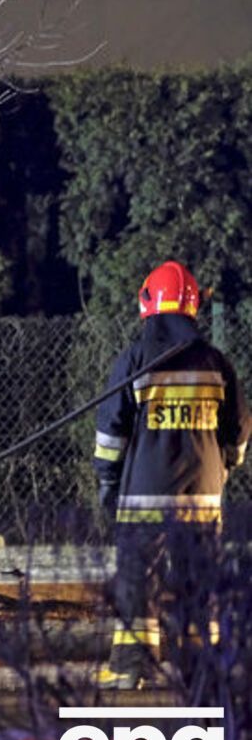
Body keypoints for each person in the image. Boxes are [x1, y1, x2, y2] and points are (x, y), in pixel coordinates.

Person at [92, 260, 251, 689]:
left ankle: (131, 668)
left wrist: (108, 482)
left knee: (136, 580)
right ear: (192, 307)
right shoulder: (216, 363)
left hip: (143, 496)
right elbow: (238, 429)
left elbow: (111, 432)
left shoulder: (134, 360)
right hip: (201, 497)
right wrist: (226, 465)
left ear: (147, 304)